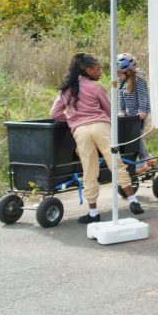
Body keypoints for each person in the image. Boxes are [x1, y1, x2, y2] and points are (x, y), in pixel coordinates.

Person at [50, 53, 144, 223]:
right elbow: (110, 110)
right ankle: (133, 200)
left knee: (89, 170)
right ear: (88, 70)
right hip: (100, 127)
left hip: (80, 132)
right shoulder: (96, 87)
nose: (101, 72)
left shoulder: (66, 89)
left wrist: (71, 118)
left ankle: (93, 213)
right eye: (98, 69)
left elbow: (54, 113)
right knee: (115, 162)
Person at [116, 53, 154, 173]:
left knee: (136, 137)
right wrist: (121, 110)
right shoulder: (121, 81)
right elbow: (121, 97)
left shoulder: (139, 80)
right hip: (129, 114)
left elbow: (143, 96)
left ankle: (143, 161)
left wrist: (142, 110)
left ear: (129, 71)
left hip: (139, 114)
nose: (118, 76)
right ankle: (148, 158)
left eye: (120, 74)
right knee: (133, 137)